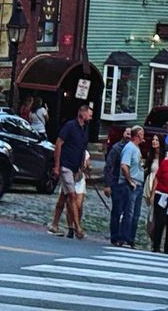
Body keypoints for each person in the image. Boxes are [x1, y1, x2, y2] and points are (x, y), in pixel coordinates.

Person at [52, 102, 93, 240]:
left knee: (63, 197)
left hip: (76, 168)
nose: (91, 117)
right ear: (82, 114)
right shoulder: (70, 126)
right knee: (73, 196)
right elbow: (58, 143)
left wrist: (82, 164)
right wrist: (57, 165)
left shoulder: (84, 129)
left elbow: (82, 149)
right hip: (66, 166)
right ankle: (77, 228)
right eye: (89, 114)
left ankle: (54, 224)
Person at [119, 125, 146, 248]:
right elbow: (124, 165)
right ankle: (123, 237)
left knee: (136, 213)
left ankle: (131, 238)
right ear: (138, 135)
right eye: (142, 134)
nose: (143, 136)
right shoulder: (129, 148)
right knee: (128, 212)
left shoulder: (137, 149)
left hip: (139, 183)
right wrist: (130, 180)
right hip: (132, 184)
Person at [104, 127, 131, 246]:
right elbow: (109, 166)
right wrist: (107, 184)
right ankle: (114, 236)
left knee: (126, 211)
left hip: (127, 184)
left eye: (131, 133)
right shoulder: (116, 148)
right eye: (127, 132)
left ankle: (123, 235)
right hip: (116, 182)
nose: (128, 135)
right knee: (117, 211)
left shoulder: (133, 149)